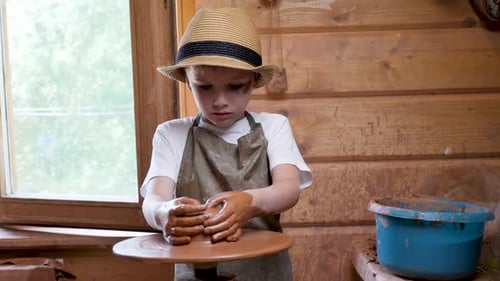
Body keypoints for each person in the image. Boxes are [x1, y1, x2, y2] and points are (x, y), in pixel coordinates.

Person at [140, 7, 313, 281]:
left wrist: (250, 202)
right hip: (195, 271)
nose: (220, 100)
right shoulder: (171, 134)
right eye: (205, 87)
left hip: (264, 270)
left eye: (235, 87)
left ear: (254, 81)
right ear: (187, 80)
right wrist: (163, 213)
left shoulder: (273, 127)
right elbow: (154, 198)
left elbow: (288, 189)